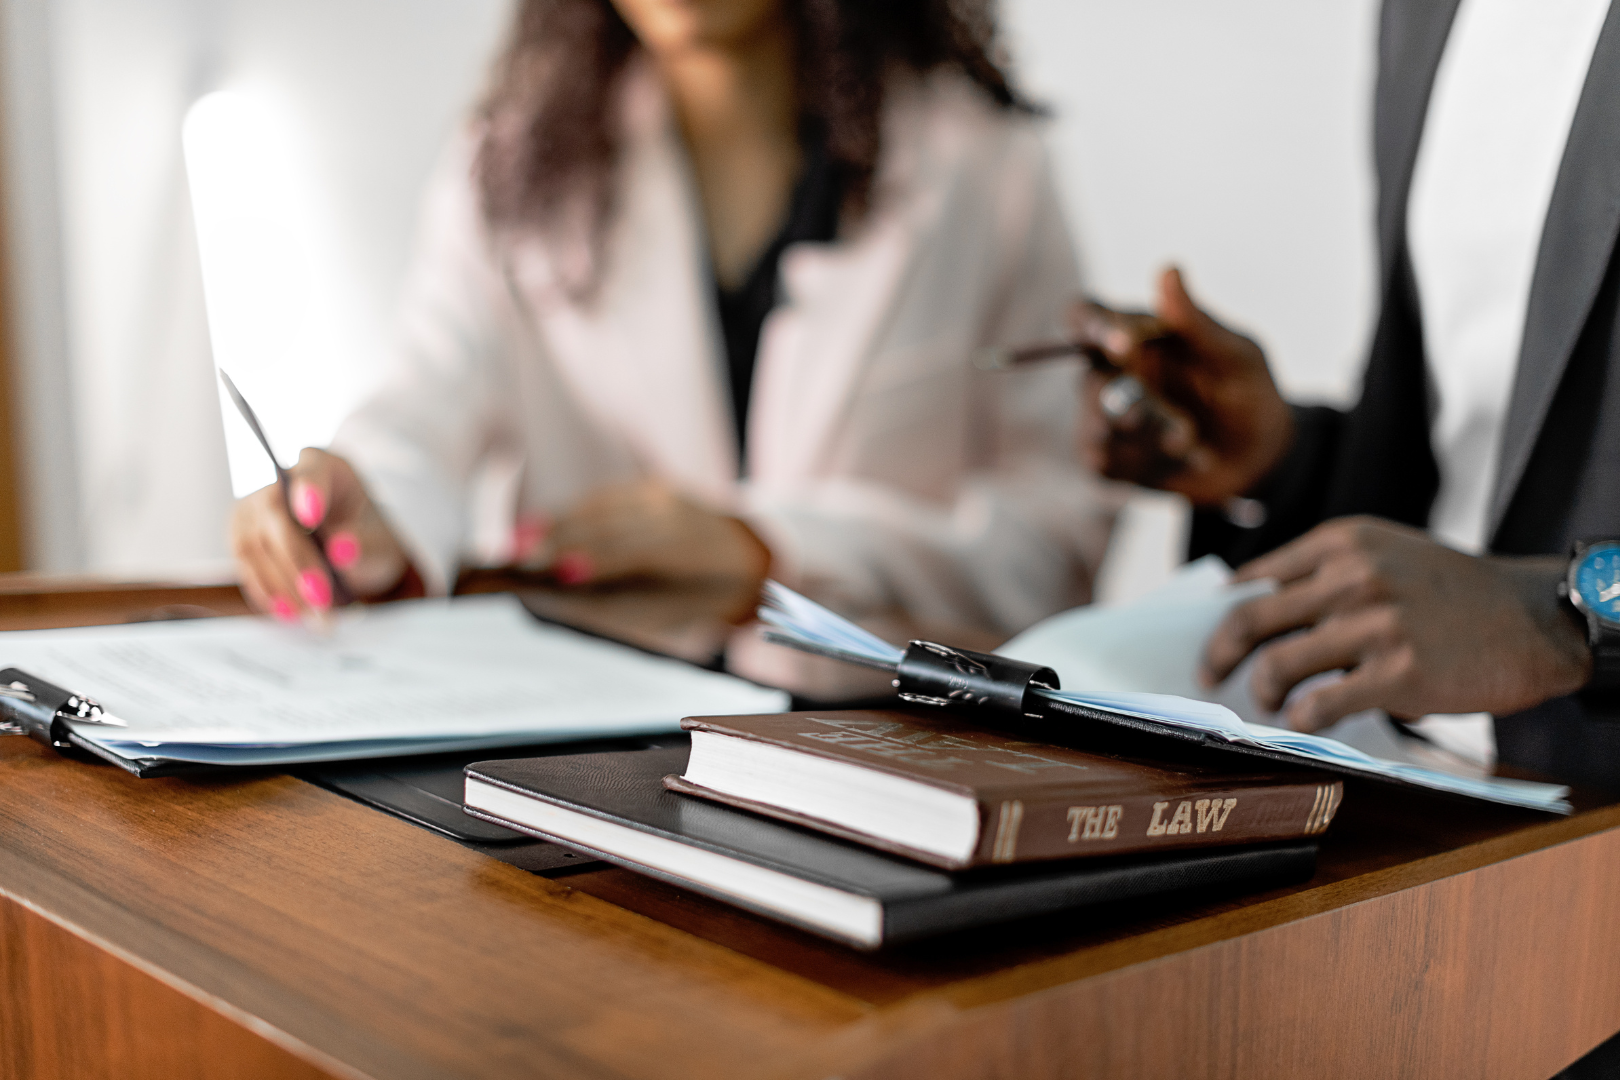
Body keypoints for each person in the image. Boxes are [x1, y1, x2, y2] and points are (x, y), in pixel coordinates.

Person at [230, 0, 1114, 659]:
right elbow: (426, 401)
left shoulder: (987, 169)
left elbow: (1055, 543)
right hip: (586, 759)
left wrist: (775, 554)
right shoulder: (509, 165)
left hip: (891, 758)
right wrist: (370, 512)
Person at [1074, 0, 1620, 793]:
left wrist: (1572, 618)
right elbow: (1471, 477)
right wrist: (1283, 466)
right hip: (1425, 792)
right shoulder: (1420, 14)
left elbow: (1515, 597)